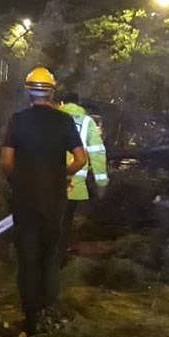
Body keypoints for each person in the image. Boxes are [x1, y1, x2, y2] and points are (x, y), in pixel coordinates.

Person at [1, 67, 87, 335]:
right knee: (50, 257)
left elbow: (6, 162)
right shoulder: (64, 121)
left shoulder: (18, 120)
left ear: (28, 91)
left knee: (27, 259)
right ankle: (49, 313)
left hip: (25, 200)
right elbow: (81, 159)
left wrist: (20, 182)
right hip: (54, 201)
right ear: (52, 90)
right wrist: (60, 175)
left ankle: (31, 318)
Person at [58, 92, 109, 265]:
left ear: (62, 102)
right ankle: (58, 259)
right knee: (64, 221)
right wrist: (101, 183)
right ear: (79, 103)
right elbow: (97, 153)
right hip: (74, 183)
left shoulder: (51, 118)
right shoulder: (88, 123)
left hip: (46, 181)